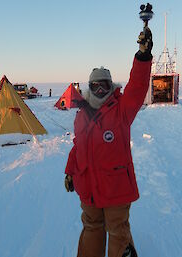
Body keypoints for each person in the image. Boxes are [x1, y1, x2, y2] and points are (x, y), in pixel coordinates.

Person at [64, 26, 153, 257]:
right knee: (92, 227)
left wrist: (142, 57)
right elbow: (78, 147)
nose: (100, 90)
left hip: (115, 188)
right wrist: (70, 172)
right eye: (96, 86)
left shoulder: (122, 110)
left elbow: (137, 87)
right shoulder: (81, 114)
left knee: (117, 231)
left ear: (111, 86)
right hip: (88, 187)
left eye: (105, 85)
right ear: (90, 87)